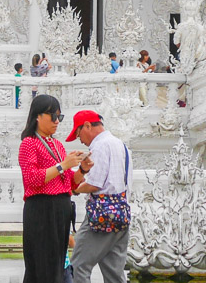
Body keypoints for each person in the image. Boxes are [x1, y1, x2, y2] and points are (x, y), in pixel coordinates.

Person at [18, 94, 88, 283]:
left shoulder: (57, 145)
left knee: (58, 263)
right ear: (38, 117)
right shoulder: (29, 144)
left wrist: (82, 169)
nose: (57, 121)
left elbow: (69, 183)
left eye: (59, 117)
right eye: (53, 116)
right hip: (41, 208)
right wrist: (63, 165)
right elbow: (32, 178)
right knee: (42, 264)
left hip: (60, 207)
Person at [68, 111, 130, 283]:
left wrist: (73, 189)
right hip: (121, 213)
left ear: (87, 126)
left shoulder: (100, 145)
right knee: (114, 272)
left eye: (78, 133)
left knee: (78, 265)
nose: (80, 139)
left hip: (101, 215)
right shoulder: (120, 144)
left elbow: (95, 183)